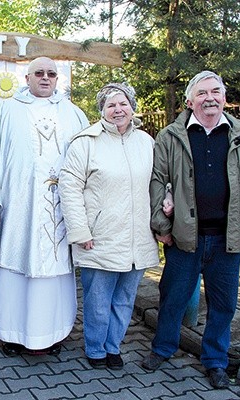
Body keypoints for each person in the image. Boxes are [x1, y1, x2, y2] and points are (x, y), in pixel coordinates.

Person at [142, 71, 240, 389]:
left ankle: (215, 361)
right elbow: (157, 182)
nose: (209, 98)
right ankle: (163, 349)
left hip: (227, 239)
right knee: (173, 298)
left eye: (215, 91)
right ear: (190, 101)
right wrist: (162, 225)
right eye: (202, 93)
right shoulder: (172, 136)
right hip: (184, 236)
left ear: (224, 98)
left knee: (224, 303)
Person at [0, 56, 89, 356]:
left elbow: (87, 162)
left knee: (56, 272)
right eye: (38, 73)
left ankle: (52, 334)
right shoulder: (7, 110)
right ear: (27, 78)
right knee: (14, 268)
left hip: (60, 207)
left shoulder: (74, 114)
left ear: (57, 80)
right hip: (18, 205)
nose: (45, 78)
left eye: (50, 74)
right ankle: (12, 334)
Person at [59, 83, 159, 370]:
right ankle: (95, 348)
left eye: (123, 104)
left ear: (132, 107)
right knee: (98, 300)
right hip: (100, 236)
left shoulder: (145, 142)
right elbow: (69, 187)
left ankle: (113, 346)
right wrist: (80, 231)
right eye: (111, 105)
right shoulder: (86, 142)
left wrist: (165, 204)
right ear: (101, 109)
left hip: (137, 236)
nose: (118, 109)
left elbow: (158, 181)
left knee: (125, 299)